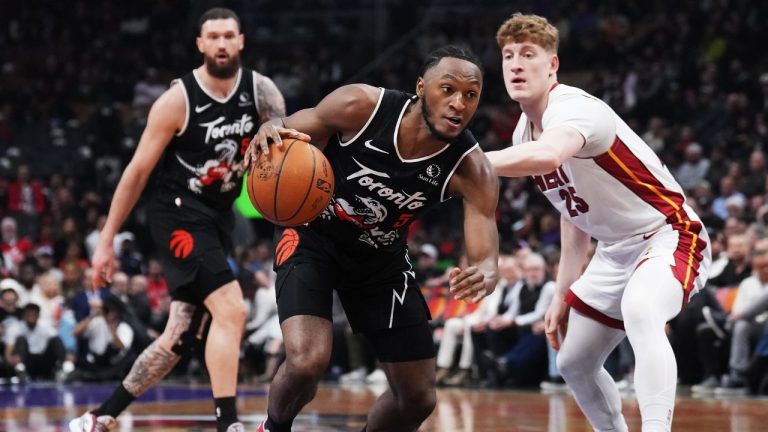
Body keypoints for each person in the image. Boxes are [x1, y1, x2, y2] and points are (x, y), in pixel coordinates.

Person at [476, 13, 711, 432]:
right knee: (572, 361)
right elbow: (573, 215)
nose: (515, 64)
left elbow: (550, 155)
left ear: (552, 66)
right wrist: (562, 292)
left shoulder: (576, 109)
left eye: (528, 54)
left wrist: (460, 165)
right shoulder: (520, 137)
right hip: (614, 251)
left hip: (668, 234)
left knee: (641, 309)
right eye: (508, 55)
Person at [246, 45, 499, 432]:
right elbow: (290, 126)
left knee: (418, 398)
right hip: (314, 235)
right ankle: (272, 428)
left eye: (470, 95)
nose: (458, 104)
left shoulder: (472, 168)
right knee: (307, 361)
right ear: (420, 87)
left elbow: (486, 255)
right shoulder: (363, 106)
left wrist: (485, 272)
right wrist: (271, 126)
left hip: (380, 259)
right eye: (447, 89)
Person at [69, 7, 292, 432]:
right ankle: (229, 423)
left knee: (179, 336)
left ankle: (101, 416)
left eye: (229, 35)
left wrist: (279, 139)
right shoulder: (177, 100)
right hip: (176, 214)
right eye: (214, 36)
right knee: (231, 308)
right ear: (200, 44)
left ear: (241, 40)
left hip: (219, 216)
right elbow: (136, 172)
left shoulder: (261, 91)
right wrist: (105, 241)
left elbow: (289, 135)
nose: (222, 43)